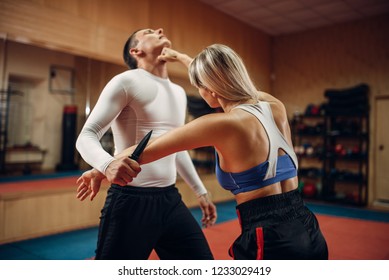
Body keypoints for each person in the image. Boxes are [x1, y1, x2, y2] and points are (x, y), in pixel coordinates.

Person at [78, 43, 329, 260]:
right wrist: (188, 60)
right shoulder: (275, 106)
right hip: (309, 228)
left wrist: (100, 167)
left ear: (210, 90)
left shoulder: (220, 124)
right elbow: (231, 81)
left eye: (199, 86)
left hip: (272, 240)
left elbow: (147, 149)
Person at [75, 28, 216, 260]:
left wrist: (200, 192)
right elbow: (86, 135)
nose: (160, 30)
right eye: (150, 31)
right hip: (130, 201)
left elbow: (174, 147)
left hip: (170, 199)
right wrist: (107, 164)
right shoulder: (126, 81)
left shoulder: (179, 92)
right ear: (136, 50)